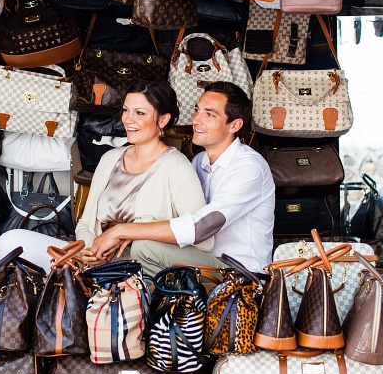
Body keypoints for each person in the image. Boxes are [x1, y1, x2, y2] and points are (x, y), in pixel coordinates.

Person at [0, 79, 213, 272]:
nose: (128, 120)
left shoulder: (176, 165)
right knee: (10, 242)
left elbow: (202, 240)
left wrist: (126, 233)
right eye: (126, 110)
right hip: (95, 260)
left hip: (138, 267)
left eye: (140, 113)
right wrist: (92, 252)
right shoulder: (111, 158)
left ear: (163, 120)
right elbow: (85, 224)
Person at [88, 81, 275, 273]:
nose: (196, 120)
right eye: (197, 110)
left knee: (144, 248)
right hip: (202, 262)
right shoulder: (199, 162)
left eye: (209, 114)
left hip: (240, 274)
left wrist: (125, 230)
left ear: (234, 125)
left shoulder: (249, 168)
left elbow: (202, 227)